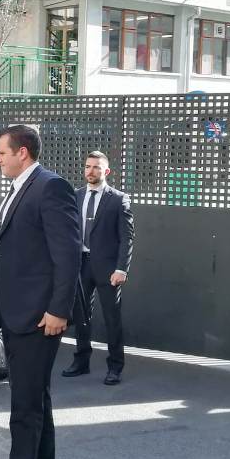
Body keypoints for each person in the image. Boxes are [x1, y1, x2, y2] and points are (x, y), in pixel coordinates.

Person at [0, 124, 81, 459]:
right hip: (16, 313)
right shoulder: (18, 189)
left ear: (22, 152)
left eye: (1, 153)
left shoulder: (50, 187)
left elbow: (68, 255)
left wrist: (58, 310)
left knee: (26, 403)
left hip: (39, 317)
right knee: (35, 398)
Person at [62, 151, 135, 385]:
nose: (90, 171)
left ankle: (115, 367)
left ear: (107, 171)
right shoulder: (76, 196)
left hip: (107, 268)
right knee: (81, 316)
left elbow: (127, 237)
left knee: (112, 318)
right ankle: (81, 361)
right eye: (87, 166)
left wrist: (121, 269)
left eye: (96, 167)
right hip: (80, 264)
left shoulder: (118, 199)